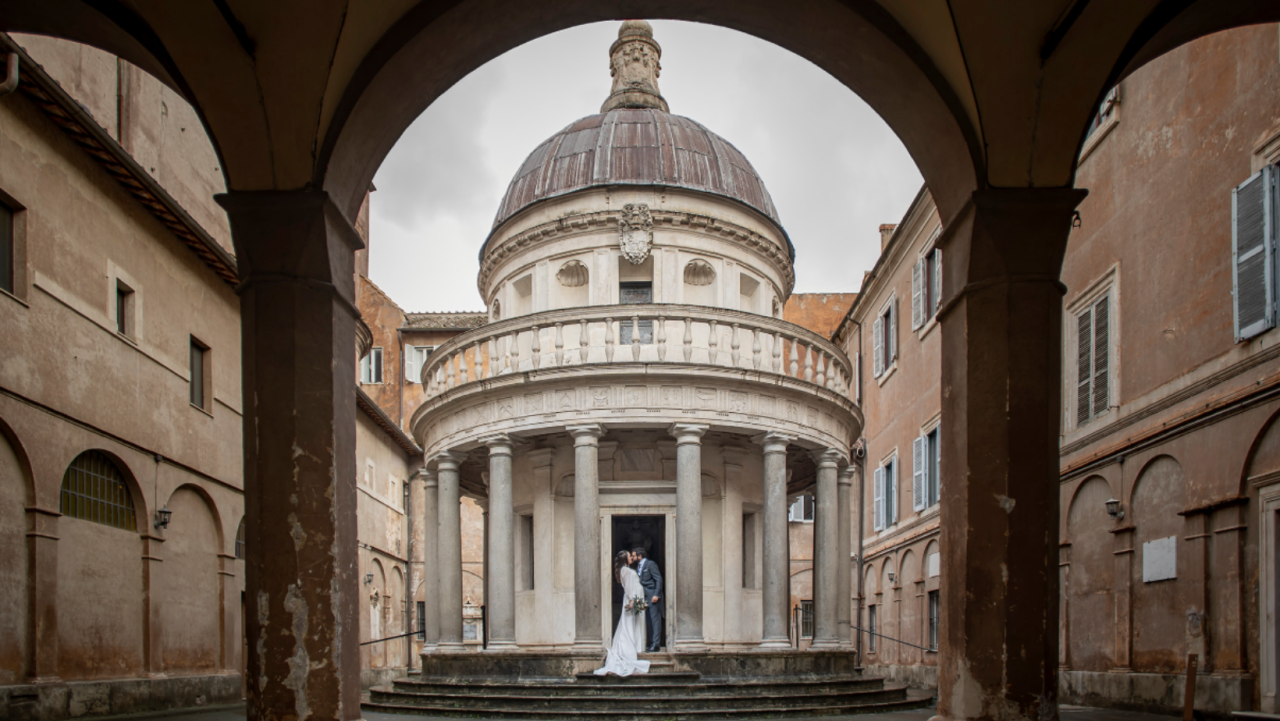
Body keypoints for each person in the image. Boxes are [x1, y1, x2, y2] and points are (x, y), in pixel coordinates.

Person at [593, 550, 650, 676]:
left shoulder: (626, 569)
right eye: (630, 556)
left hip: (634, 597)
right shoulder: (625, 570)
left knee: (632, 622)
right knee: (628, 623)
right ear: (625, 559)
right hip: (631, 598)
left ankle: (635, 645)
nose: (632, 558)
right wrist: (631, 600)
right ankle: (628, 650)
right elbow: (628, 586)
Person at [633, 547, 664, 652]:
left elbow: (658, 579)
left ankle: (656, 644)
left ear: (640, 556)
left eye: (634, 556)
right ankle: (651, 643)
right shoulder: (638, 566)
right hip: (643, 596)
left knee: (655, 619)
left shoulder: (650, 564)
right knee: (649, 620)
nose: (633, 558)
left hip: (652, 596)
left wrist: (656, 594)